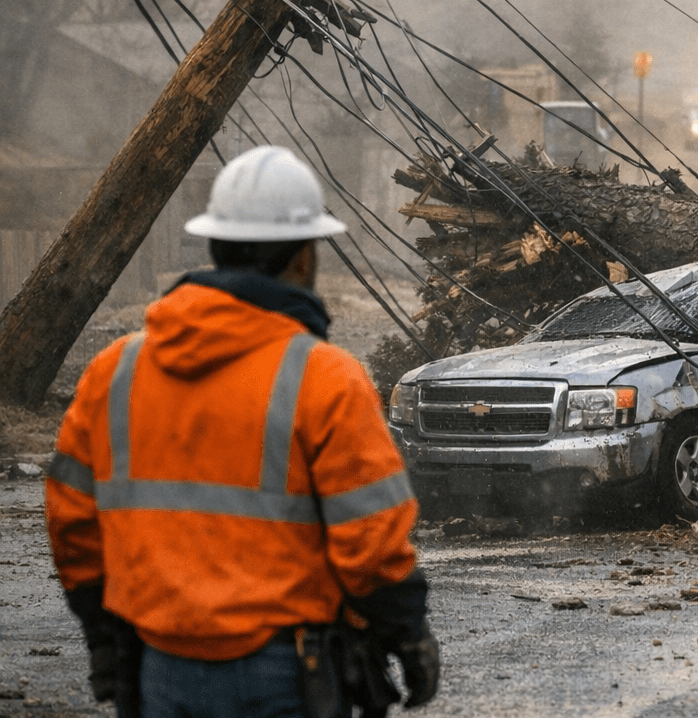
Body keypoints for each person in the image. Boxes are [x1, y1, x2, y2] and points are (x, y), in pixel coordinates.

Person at [45, 145, 439, 717]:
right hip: (286, 672)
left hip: (159, 665)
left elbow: (71, 520)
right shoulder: (325, 377)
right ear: (303, 257)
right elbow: (371, 541)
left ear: (215, 245)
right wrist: (407, 633)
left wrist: (104, 637)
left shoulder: (114, 372)